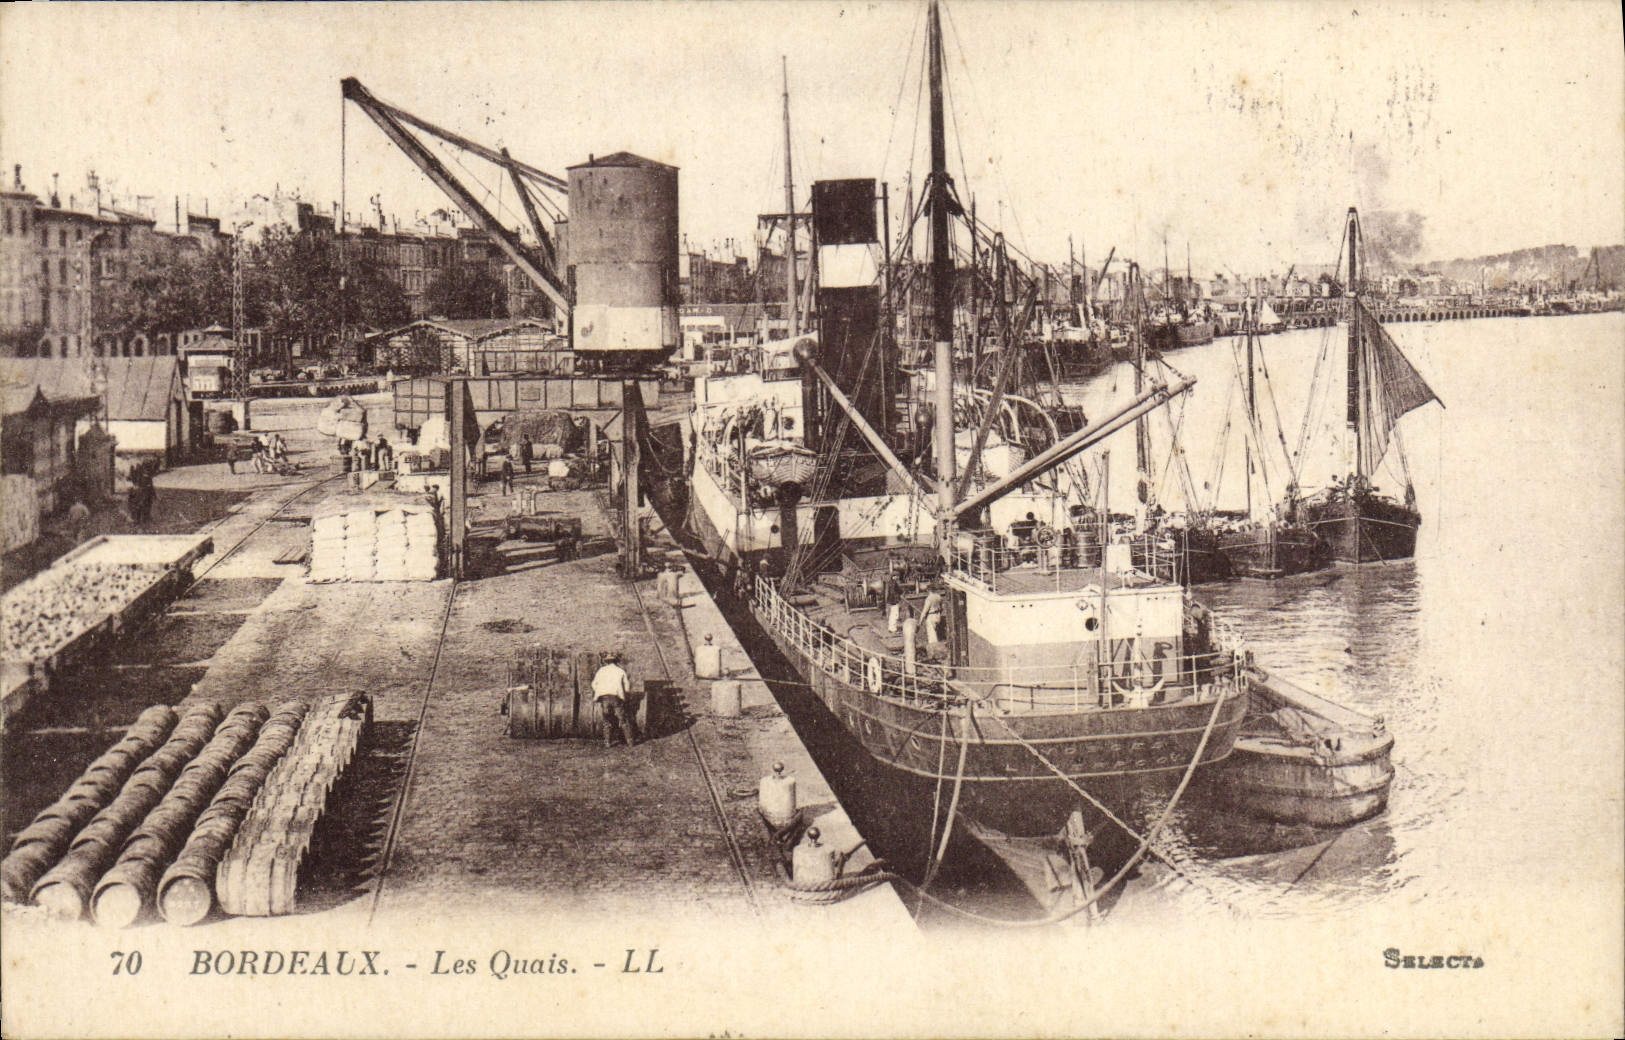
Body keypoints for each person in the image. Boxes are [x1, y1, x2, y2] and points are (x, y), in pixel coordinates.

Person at [591, 652, 637, 748]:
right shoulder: (620, 671)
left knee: (607, 720)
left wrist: (599, 690)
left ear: (606, 662)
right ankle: (630, 742)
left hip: (604, 698)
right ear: (616, 661)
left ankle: (607, 742)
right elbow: (627, 686)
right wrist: (625, 693)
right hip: (616, 697)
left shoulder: (601, 671)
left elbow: (594, 684)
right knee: (623, 719)